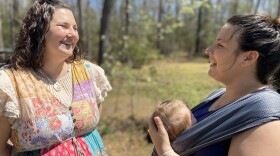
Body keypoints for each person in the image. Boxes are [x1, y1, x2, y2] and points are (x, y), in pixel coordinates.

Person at [148, 14, 280, 156]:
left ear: (248, 58)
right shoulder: (216, 96)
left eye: (220, 45)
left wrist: (165, 151)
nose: (208, 50)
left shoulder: (264, 117)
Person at [0, 0, 112, 155]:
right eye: (64, 26)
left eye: (75, 28)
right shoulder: (10, 82)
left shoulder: (88, 72)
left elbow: (92, 128)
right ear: (39, 30)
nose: (72, 34)